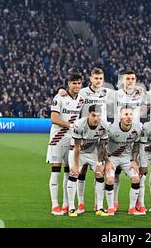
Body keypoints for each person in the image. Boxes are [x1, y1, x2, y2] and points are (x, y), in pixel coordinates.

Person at [46, 72, 84, 216]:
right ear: (68, 83)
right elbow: (54, 118)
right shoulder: (59, 97)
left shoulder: (81, 99)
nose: (76, 85)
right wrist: (70, 125)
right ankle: (55, 205)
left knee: (69, 170)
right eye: (74, 83)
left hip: (72, 138)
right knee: (56, 170)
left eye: (79, 83)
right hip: (57, 137)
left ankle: (66, 204)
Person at [67, 104, 109, 217]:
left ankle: (99, 207)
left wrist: (100, 163)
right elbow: (76, 147)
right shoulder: (79, 124)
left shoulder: (104, 125)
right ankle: (71, 207)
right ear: (88, 115)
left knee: (100, 173)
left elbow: (102, 146)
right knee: (74, 174)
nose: (96, 118)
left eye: (98, 116)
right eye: (93, 115)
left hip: (92, 152)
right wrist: (75, 165)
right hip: (78, 152)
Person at [104, 105, 144, 215]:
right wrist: (106, 161)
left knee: (136, 179)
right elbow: (102, 145)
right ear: (120, 117)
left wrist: (135, 160)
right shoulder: (111, 129)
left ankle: (131, 209)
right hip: (111, 157)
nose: (129, 117)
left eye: (131, 114)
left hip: (127, 158)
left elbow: (136, 145)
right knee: (110, 180)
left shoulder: (137, 129)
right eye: (126, 114)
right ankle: (111, 208)